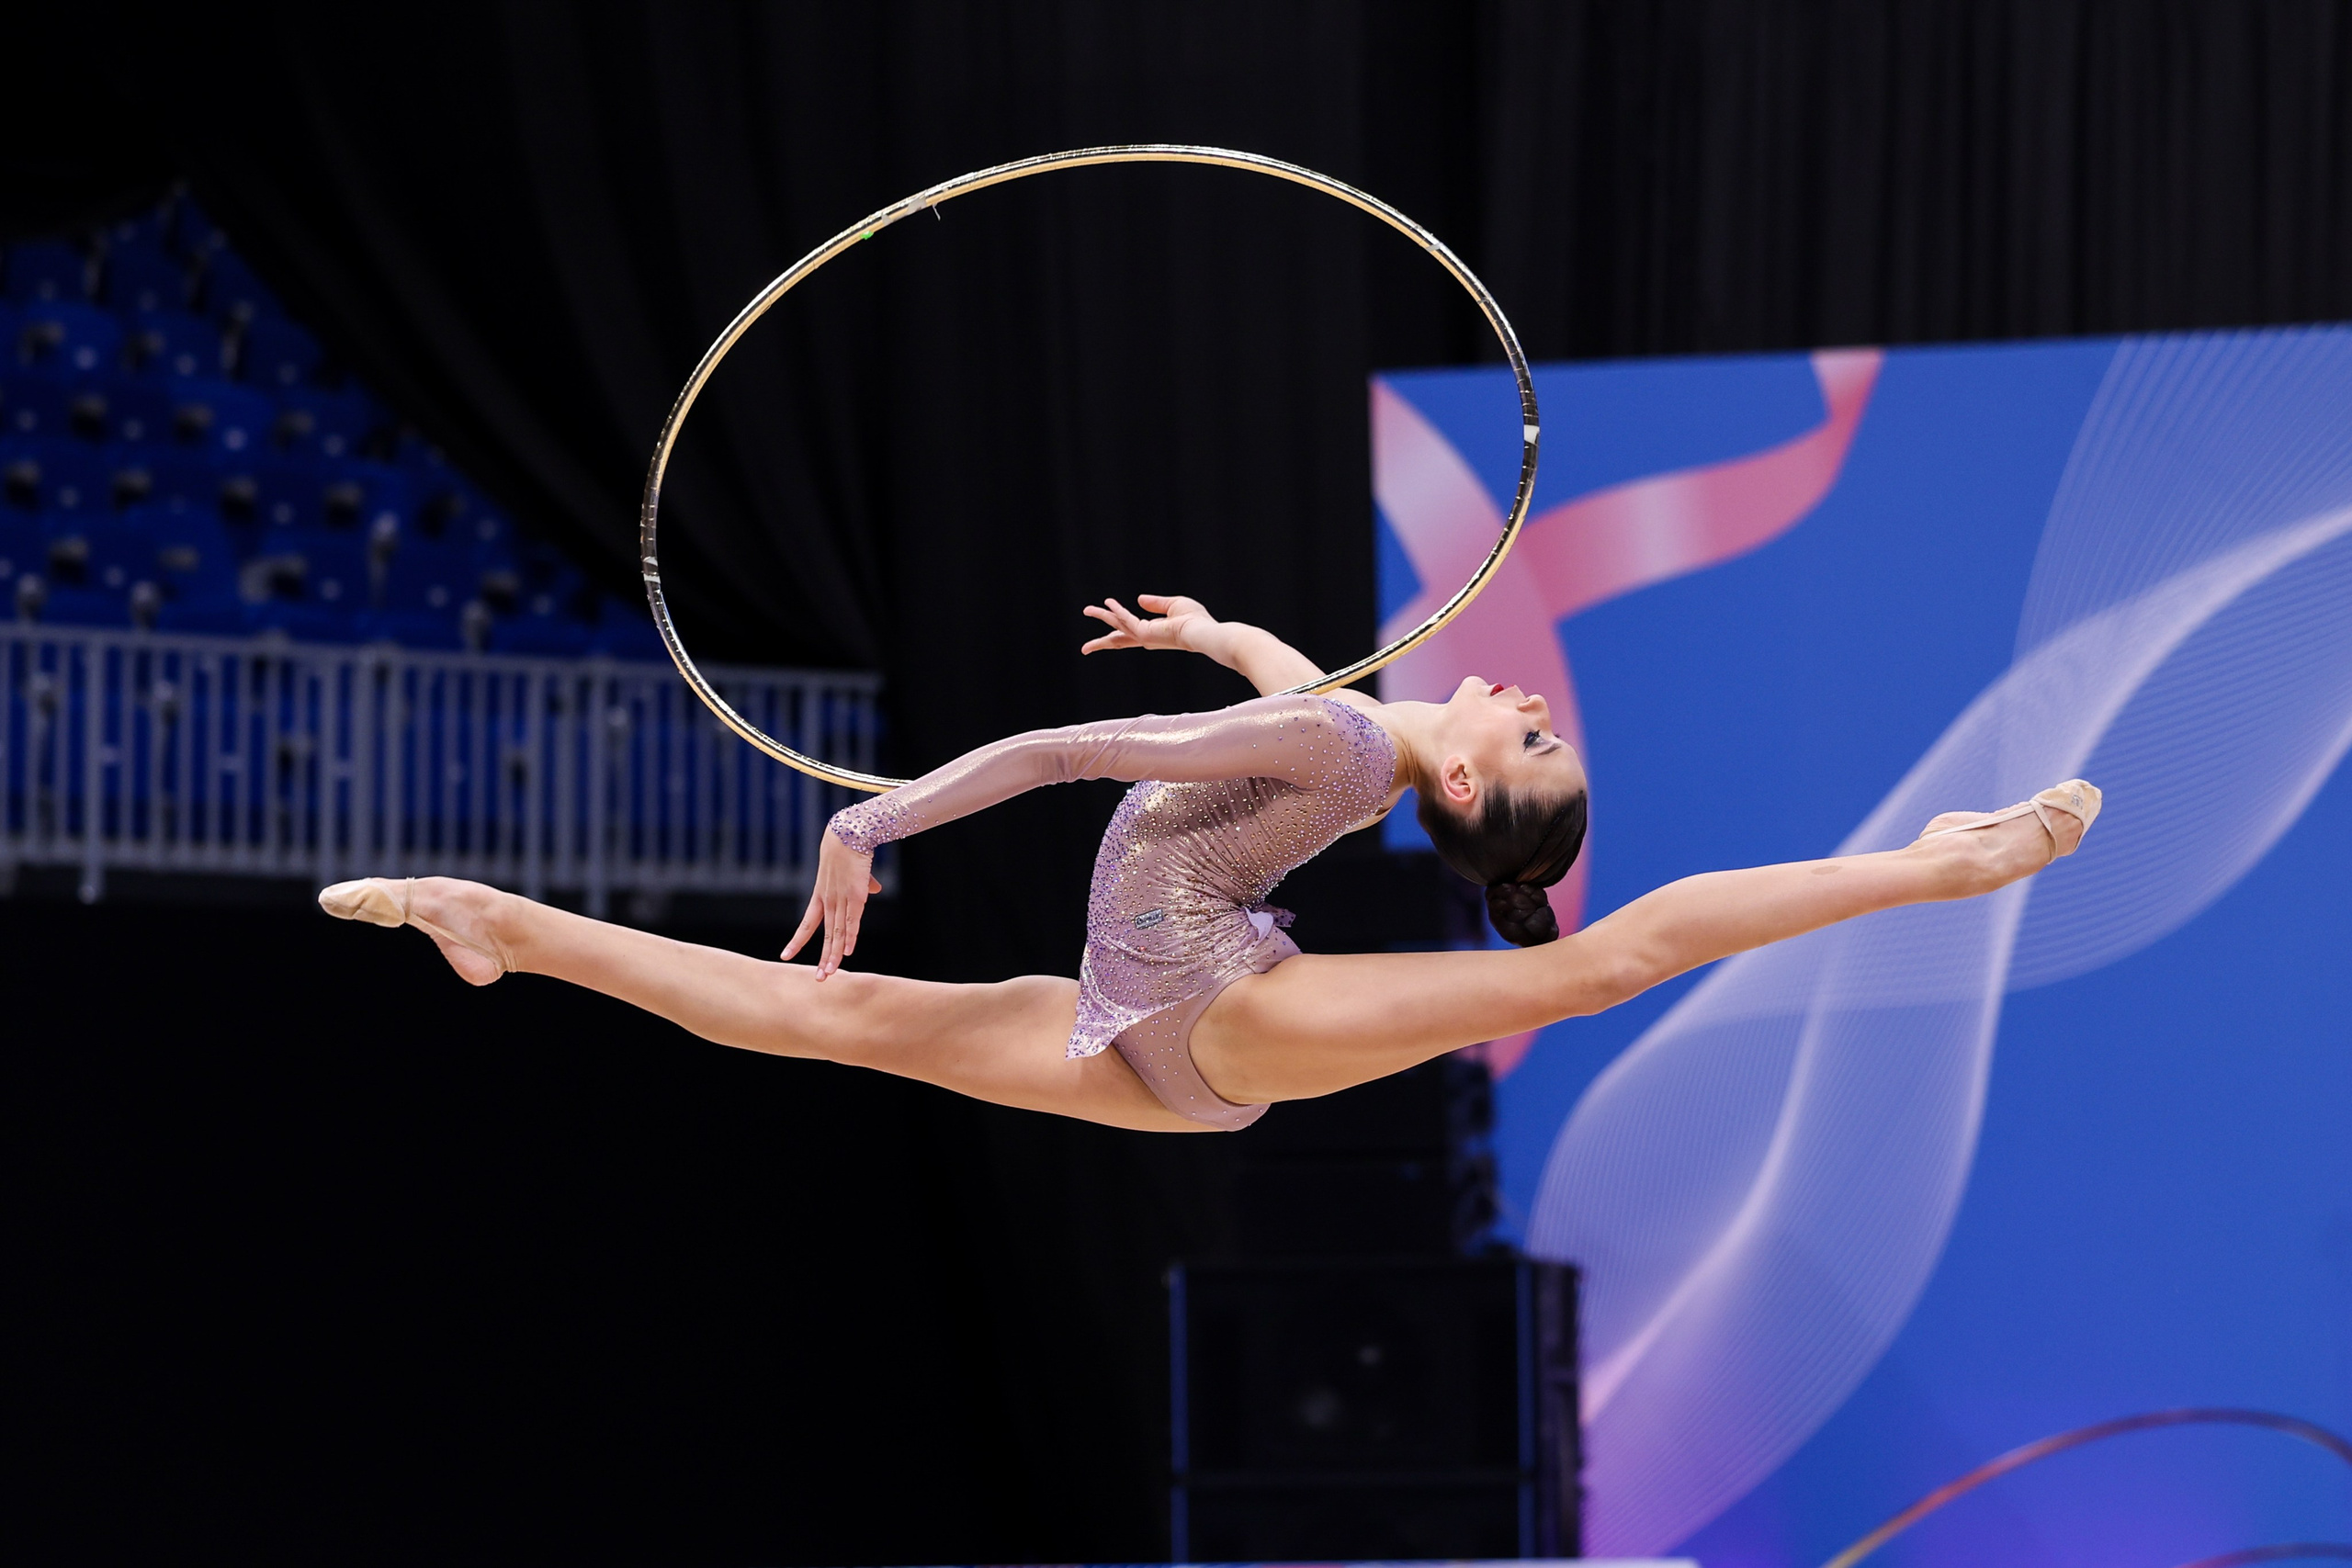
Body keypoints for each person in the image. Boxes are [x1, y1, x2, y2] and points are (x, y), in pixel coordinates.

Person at [319, 593, 2099, 1133]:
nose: (1527, 696)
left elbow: (1065, 753)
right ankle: (504, 924)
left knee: (1588, 967)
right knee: (833, 1025)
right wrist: (1232, 629)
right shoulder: (1345, 733)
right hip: (1132, 1020)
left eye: (1534, 738)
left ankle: (1933, 864)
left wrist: (869, 817)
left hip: (1222, 1013)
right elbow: (1297, 716)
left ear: (1467, 781)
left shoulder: (1342, 743)